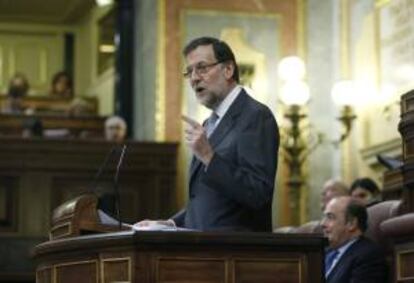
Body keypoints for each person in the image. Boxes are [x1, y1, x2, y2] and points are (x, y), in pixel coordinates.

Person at [136, 36, 279, 231]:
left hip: (237, 253)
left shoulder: (255, 116)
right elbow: (209, 201)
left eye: (202, 68)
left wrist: (208, 156)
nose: (194, 78)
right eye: (189, 71)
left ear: (228, 69)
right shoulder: (209, 123)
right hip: (205, 249)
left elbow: (257, 193)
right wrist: (170, 223)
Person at [321, 196, 388, 283]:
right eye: (324, 217)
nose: (323, 224)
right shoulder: (324, 253)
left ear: (351, 223)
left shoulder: (367, 256)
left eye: (330, 217)